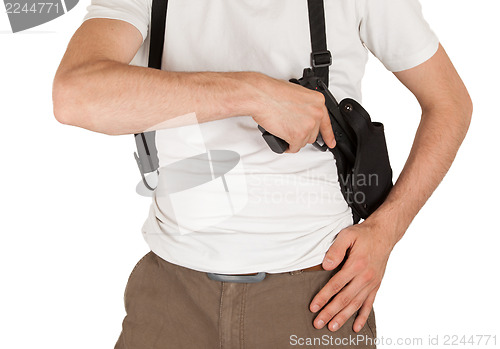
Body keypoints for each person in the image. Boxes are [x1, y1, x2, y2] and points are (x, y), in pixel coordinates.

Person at [52, 0, 472, 348]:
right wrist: (251, 92)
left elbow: (450, 103)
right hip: (170, 299)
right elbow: (74, 94)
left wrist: (387, 230)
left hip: (316, 301)